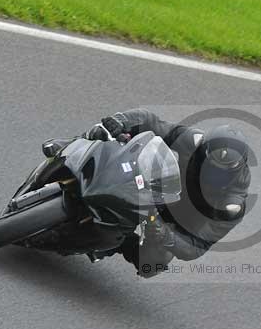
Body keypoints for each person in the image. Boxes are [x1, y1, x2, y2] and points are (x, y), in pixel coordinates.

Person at [83, 109, 251, 276]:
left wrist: (166, 235)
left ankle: (116, 243)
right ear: (202, 152)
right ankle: (66, 152)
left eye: (220, 172)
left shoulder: (230, 207)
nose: (212, 174)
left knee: (151, 265)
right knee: (100, 135)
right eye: (208, 165)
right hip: (154, 184)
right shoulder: (193, 141)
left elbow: (198, 247)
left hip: (174, 220)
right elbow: (150, 121)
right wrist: (121, 121)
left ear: (236, 171)